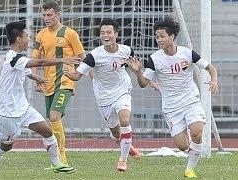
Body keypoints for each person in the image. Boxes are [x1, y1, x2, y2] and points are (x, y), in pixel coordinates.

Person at [0, 21, 78, 178]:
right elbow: (41, 62)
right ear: (18, 39)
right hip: (8, 113)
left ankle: (57, 164)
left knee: (47, 130)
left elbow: (24, 70)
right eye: (26, 36)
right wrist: (62, 60)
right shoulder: (14, 58)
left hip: (23, 108)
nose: (28, 39)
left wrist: (35, 77)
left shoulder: (17, 59)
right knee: (6, 146)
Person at [128, 18, 219, 178]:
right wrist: (138, 73)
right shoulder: (154, 59)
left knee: (197, 131)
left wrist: (214, 80)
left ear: (172, 36)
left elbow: (210, 67)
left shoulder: (187, 53)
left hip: (190, 100)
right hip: (171, 107)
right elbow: (143, 84)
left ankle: (189, 169)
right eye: (157, 37)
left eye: (162, 36)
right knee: (183, 146)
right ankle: (193, 149)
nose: (159, 40)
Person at [63, 19, 141, 172]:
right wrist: (69, 74)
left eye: (109, 32)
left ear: (116, 34)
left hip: (122, 91)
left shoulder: (127, 50)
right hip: (104, 97)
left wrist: (136, 70)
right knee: (116, 132)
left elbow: (134, 67)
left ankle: (122, 160)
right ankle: (128, 145)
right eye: (102, 33)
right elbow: (78, 76)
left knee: (125, 120)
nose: (105, 35)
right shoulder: (94, 56)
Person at [31, 1, 85, 170]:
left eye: (50, 15)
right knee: (53, 121)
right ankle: (56, 161)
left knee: (54, 117)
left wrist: (77, 75)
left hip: (65, 82)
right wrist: (35, 79)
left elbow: (82, 56)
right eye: (44, 15)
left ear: (58, 14)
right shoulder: (40, 35)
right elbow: (35, 59)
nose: (46, 18)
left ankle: (61, 156)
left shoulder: (70, 34)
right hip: (48, 83)